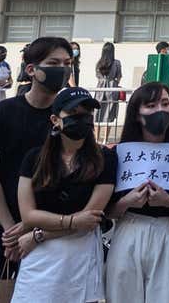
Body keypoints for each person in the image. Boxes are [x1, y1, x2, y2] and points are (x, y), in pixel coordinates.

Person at [0, 36, 73, 303]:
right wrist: (11, 230)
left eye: (67, 63)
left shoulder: (71, 118)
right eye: (53, 63)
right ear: (31, 69)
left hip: (48, 232)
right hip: (1, 230)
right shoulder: (3, 112)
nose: (62, 69)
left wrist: (32, 228)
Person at [10, 86, 115, 303]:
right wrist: (71, 221)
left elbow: (90, 218)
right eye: (74, 113)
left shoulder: (105, 159)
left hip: (78, 253)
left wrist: (40, 235)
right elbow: (29, 215)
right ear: (55, 119)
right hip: (39, 256)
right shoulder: (34, 158)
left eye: (87, 114)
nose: (83, 119)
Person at [106, 82, 169, 303]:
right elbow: (107, 211)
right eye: (151, 105)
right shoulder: (119, 154)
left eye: (165, 103)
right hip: (129, 231)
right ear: (137, 114)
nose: (160, 111)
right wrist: (127, 202)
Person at [94, 42, 123, 122]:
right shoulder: (117, 62)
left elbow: (97, 76)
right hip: (112, 88)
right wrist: (114, 82)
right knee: (110, 112)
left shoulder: (99, 63)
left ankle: (96, 134)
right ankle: (106, 134)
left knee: (97, 112)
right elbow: (119, 76)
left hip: (100, 88)